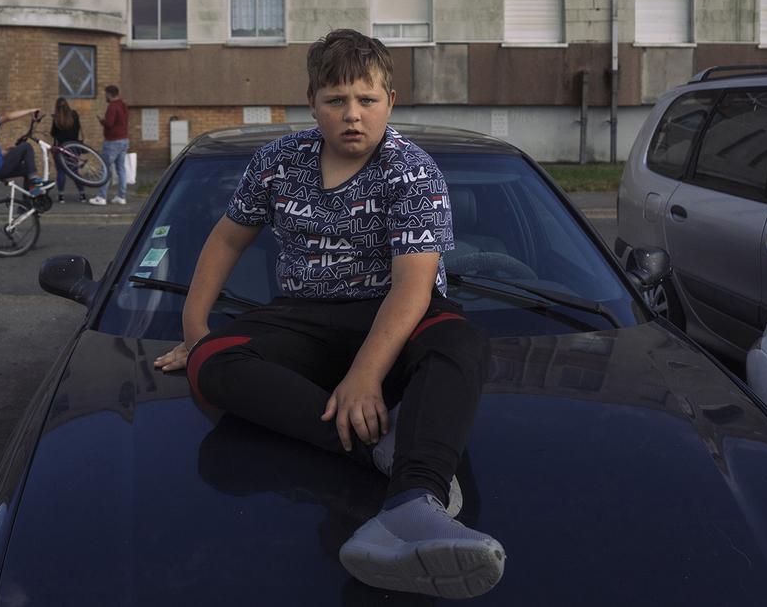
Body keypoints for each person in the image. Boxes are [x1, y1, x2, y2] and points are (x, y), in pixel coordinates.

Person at [152, 29, 504, 598]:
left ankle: (417, 500)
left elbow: (412, 291)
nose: (352, 115)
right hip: (305, 314)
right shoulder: (278, 161)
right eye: (336, 99)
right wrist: (195, 331)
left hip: (398, 314)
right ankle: (380, 449)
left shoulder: (411, 171)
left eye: (367, 99)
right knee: (214, 362)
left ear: (390, 100)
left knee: (462, 343)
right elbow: (225, 241)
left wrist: (365, 376)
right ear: (312, 103)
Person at [0, 103, 52, 191]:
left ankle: (31, 199)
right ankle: (35, 181)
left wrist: (7, 150)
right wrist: (30, 111)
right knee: (26, 147)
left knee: (27, 169)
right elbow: (8, 116)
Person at [92, 84, 129, 206]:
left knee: (105, 168)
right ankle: (121, 196)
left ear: (109, 94)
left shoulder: (112, 107)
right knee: (121, 169)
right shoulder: (123, 104)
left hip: (112, 141)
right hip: (124, 140)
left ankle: (101, 197)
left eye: (105, 94)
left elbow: (109, 124)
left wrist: (101, 120)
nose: (105, 96)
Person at [50, 97, 90, 204]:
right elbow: (78, 128)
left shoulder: (56, 118)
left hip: (61, 148)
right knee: (75, 171)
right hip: (73, 147)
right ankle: (82, 195)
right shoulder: (74, 115)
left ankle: (61, 197)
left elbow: (53, 133)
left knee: (60, 172)